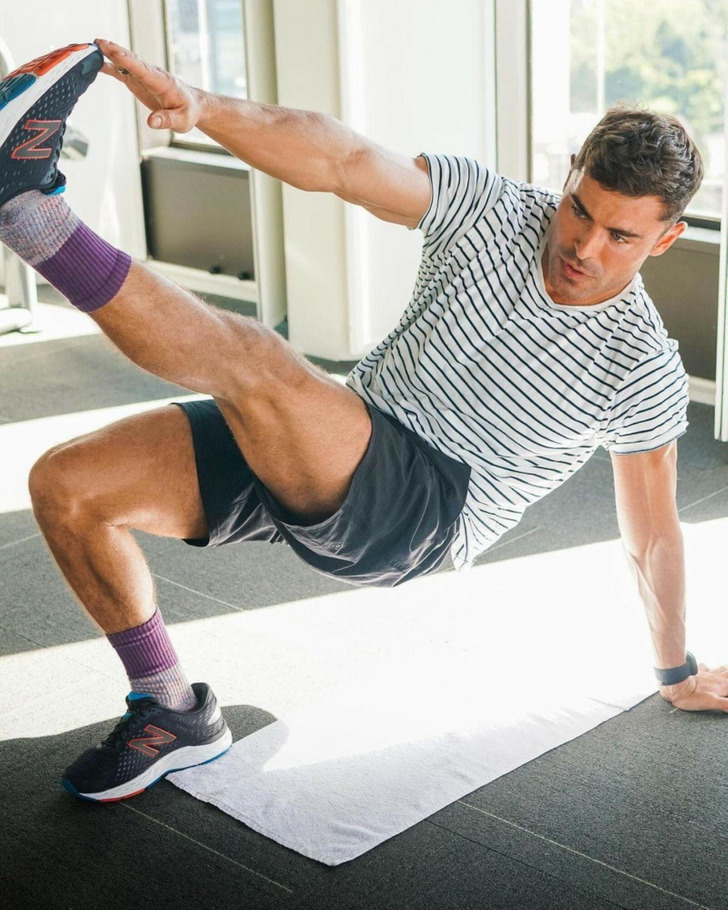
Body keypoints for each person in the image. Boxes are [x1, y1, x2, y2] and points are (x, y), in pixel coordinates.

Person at [1, 40, 726, 803]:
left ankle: (25, 208)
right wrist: (201, 105)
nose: (583, 245)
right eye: (580, 209)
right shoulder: (495, 210)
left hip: (426, 509)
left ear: (667, 237)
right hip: (343, 425)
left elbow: (652, 533)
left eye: (622, 236)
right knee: (69, 485)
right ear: (571, 172)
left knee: (261, 360)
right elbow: (344, 161)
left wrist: (675, 671)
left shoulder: (640, 365)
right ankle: (174, 711)